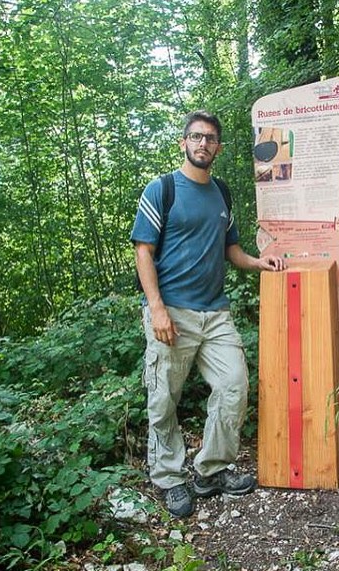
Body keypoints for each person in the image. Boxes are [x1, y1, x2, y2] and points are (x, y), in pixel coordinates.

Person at [130, 110, 284, 518]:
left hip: (215, 313)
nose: (203, 144)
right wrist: (157, 309)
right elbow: (143, 252)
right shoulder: (162, 189)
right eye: (196, 137)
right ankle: (168, 477)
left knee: (234, 385)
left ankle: (210, 470)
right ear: (183, 142)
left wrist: (258, 263)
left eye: (211, 139)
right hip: (172, 312)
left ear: (218, 147)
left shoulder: (222, 193)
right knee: (164, 397)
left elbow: (230, 250)